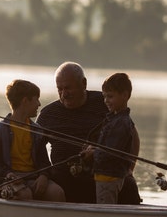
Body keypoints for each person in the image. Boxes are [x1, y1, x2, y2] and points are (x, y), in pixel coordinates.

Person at [36, 61, 141, 204]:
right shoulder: (48, 114)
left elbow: (131, 134)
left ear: (83, 84)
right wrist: (43, 173)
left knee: (128, 185)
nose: (64, 94)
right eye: (59, 89)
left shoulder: (105, 102)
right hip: (64, 175)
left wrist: (129, 168)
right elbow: (35, 148)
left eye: (68, 88)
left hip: (103, 172)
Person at [0, 79, 65, 201]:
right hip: (5, 180)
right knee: (25, 195)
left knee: (57, 193)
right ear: (25, 101)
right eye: (36, 99)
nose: (39, 104)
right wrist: (7, 174)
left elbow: (44, 162)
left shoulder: (37, 131)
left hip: (32, 178)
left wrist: (44, 176)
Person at [81, 73, 140, 204]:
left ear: (125, 95)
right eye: (104, 96)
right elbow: (108, 147)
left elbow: (111, 152)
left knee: (105, 208)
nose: (106, 100)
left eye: (110, 96)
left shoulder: (121, 123)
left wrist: (93, 153)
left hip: (109, 177)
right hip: (104, 175)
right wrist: (94, 148)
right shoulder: (114, 119)